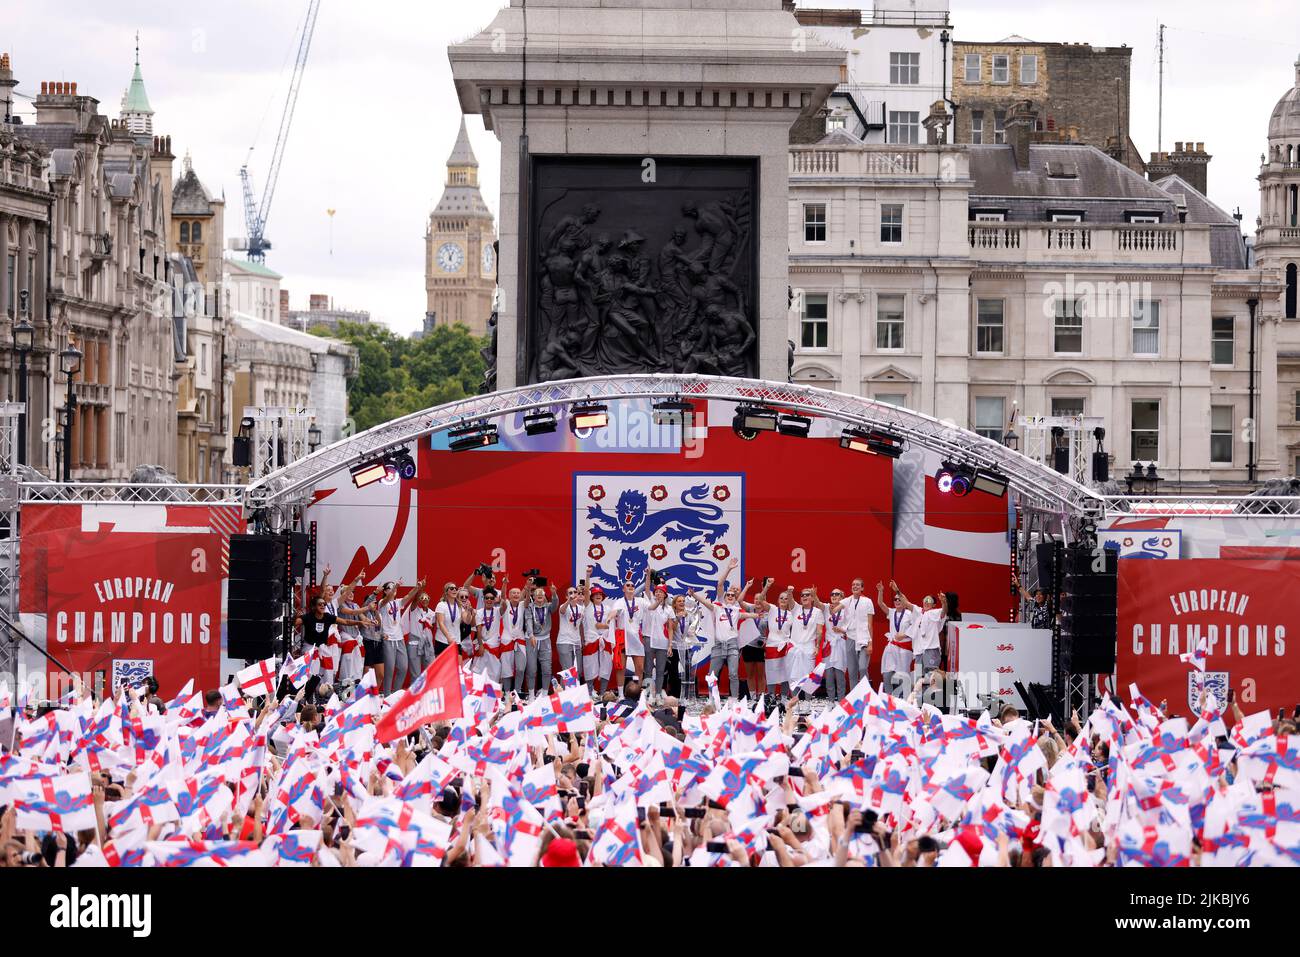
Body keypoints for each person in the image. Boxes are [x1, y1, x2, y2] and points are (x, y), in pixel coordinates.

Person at [892, 579, 946, 686]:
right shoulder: (918, 611)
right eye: (925, 600)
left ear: (934, 605)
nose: (926, 602)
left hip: (931, 649)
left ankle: (933, 700)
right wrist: (897, 591)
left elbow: (944, 611)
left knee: (932, 677)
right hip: (918, 652)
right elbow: (906, 603)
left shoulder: (935, 613)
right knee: (918, 679)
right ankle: (918, 700)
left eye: (929, 601)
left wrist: (944, 602)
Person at [377, 578, 426, 694]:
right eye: (389, 587)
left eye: (393, 587)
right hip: (388, 639)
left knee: (403, 668)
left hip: (399, 639)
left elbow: (408, 596)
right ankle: (387, 695)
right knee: (389, 670)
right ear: (384, 591)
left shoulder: (398, 602)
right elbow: (386, 599)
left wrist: (418, 587)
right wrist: (396, 586)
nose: (393, 589)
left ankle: (395, 693)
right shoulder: (382, 603)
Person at [787, 586, 825, 706]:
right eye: (802, 595)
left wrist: (817, 646)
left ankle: (808, 704)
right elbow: (790, 600)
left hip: (808, 647)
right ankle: (794, 704)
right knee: (793, 678)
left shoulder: (817, 612)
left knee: (809, 678)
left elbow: (819, 631)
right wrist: (789, 592)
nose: (804, 597)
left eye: (807, 595)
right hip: (795, 647)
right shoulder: (796, 608)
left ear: (812, 598)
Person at [876, 581, 916, 698]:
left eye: (899, 599)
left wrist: (903, 635)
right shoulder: (892, 612)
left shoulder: (910, 613)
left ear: (904, 601)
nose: (897, 601)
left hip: (905, 649)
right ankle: (888, 698)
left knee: (903, 676)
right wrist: (880, 591)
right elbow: (880, 603)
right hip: (892, 646)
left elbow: (914, 629)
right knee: (887, 674)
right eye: (895, 600)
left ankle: (904, 700)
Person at [581, 579, 615, 695]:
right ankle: (590, 692)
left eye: (600, 594)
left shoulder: (608, 608)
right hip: (591, 640)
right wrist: (588, 575)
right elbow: (586, 591)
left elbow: (614, 614)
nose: (598, 596)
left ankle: (603, 693)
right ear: (591, 597)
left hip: (604, 640)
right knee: (590, 666)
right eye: (595, 594)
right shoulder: (588, 607)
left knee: (606, 667)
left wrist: (608, 620)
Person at [525, 581, 558, 698]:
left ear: (544, 597)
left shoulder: (548, 607)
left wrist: (554, 594)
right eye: (537, 595)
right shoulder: (529, 607)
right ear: (533, 597)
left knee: (546, 668)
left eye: (542, 595)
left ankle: (544, 694)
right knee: (532, 669)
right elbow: (528, 621)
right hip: (532, 640)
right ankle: (531, 695)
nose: (539, 597)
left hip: (545, 640)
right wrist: (531, 635)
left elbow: (555, 605)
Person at [843, 578, 875, 692]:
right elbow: (836, 609)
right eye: (853, 584)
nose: (855, 586)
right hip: (851, 637)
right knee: (852, 670)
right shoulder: (848, 601)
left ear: (862, 588)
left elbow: (870, 625)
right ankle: (853, 698)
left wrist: (870, 643)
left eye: (857, 585)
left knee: (862, 667)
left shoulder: (868, 601)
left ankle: (865, 694)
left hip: (864, 639)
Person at [555, 583, 585, 681]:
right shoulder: (564, 606)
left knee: (578, 671)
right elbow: (562, 611)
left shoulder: (581, 608)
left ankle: (575, 694)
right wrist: (569, 600)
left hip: (576, 643)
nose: (573, 594)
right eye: (570, 593)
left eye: (575, 592)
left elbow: (580, 626)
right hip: (565, 641)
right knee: (568, 672)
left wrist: (582, 640)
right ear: (566, 596)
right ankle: (564, 694)